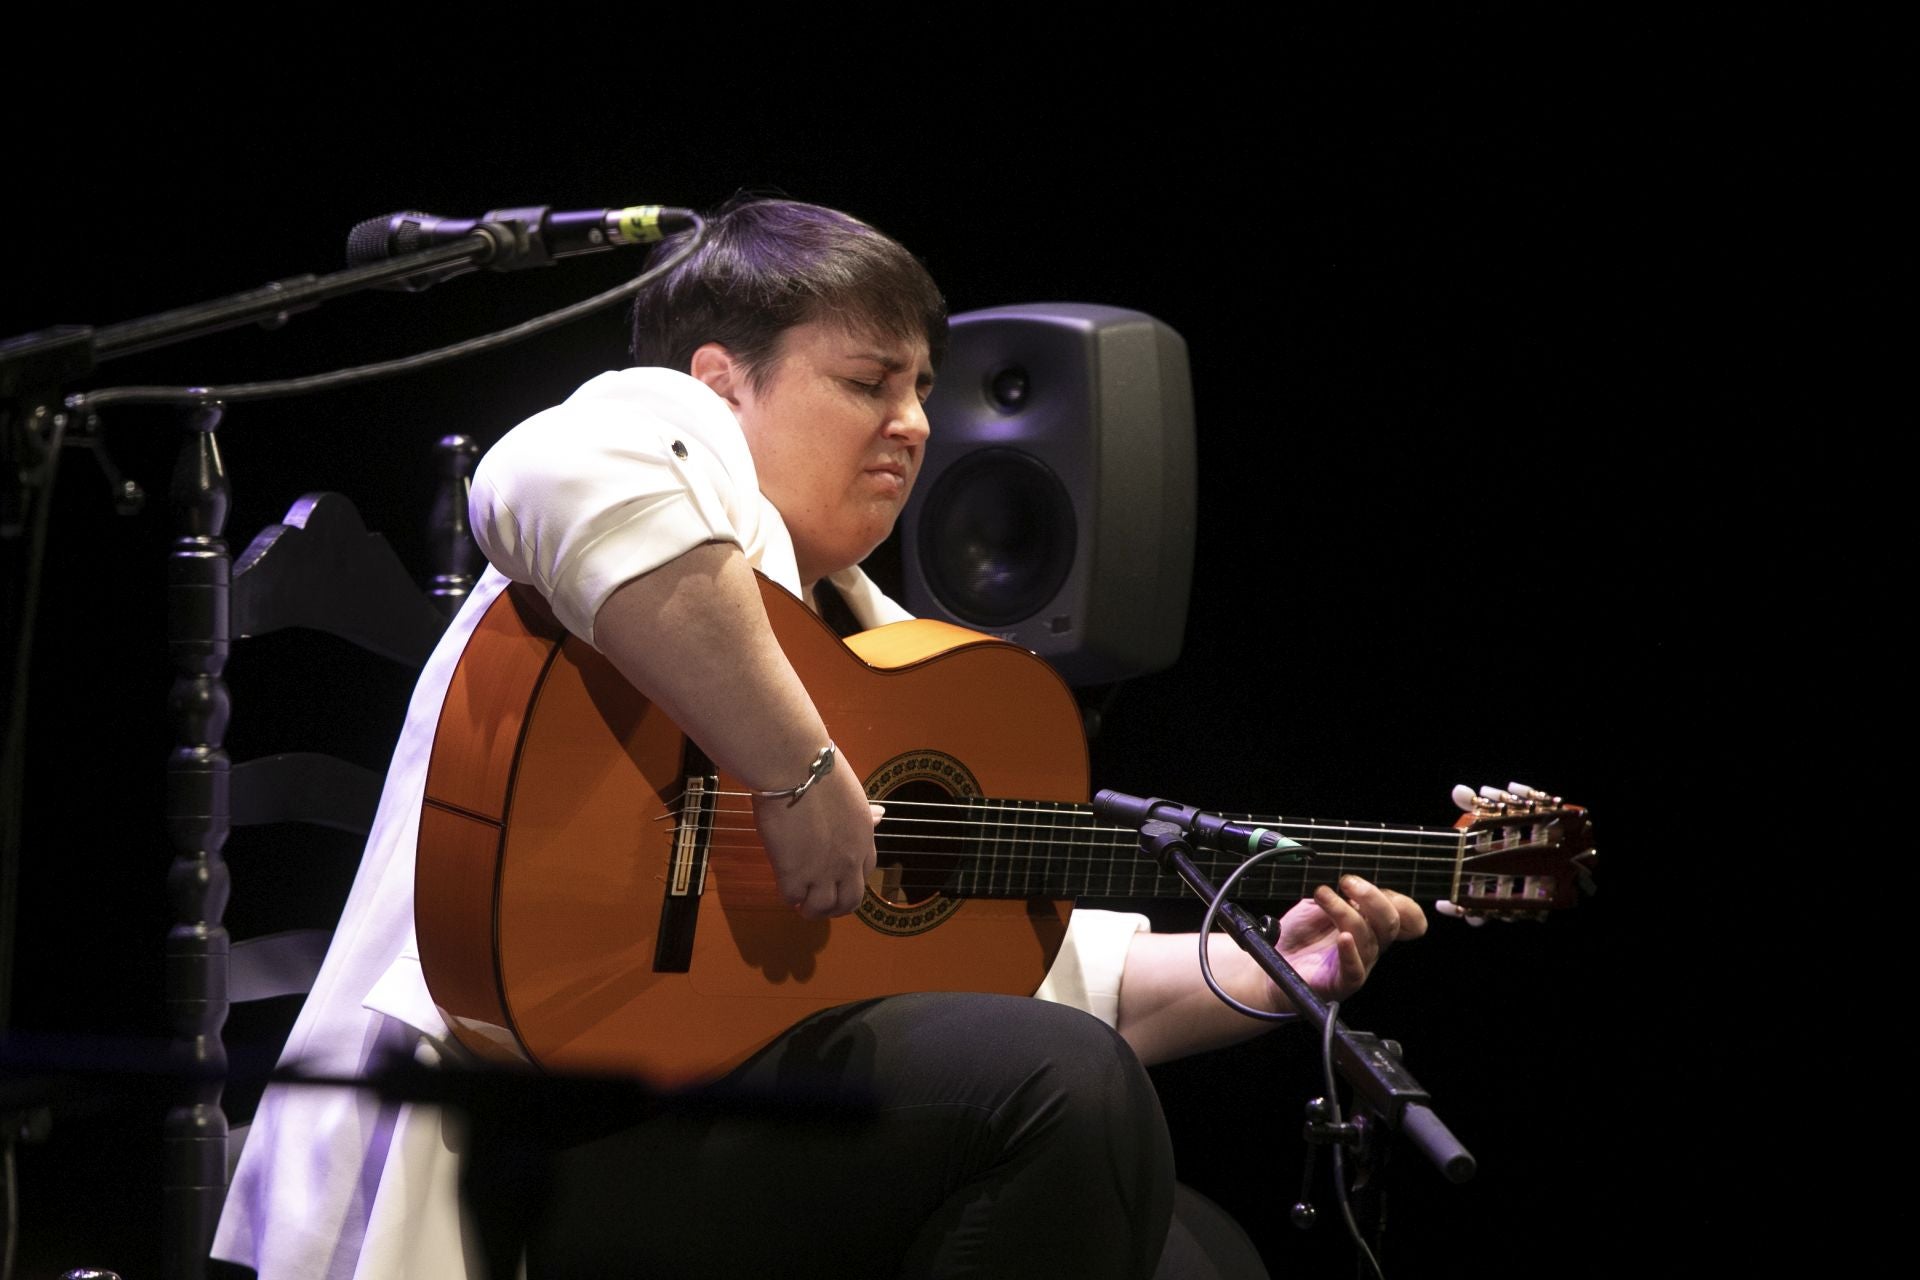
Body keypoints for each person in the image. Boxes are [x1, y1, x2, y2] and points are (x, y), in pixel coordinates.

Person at [213, 197, 1426, 1280]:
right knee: (1064, 1092)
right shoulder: (665, 450)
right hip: (529, 1132)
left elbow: (1060, 972)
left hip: (731, 1135)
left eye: (923, 391)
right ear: (719, 384)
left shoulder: (883, 646)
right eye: (868, 381)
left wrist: (1280, 971)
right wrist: (794, 772)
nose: (913, 425)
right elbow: (551, 465)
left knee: (1189, 1244)